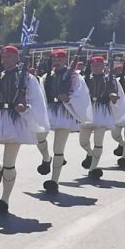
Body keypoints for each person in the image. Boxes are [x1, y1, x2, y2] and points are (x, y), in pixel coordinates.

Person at [0, 46, 49, 213]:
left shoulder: (27, 78)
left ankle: (4, 200)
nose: (5, 61)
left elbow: (36, 100)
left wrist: (26, 109)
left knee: (10, 164)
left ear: (17, 58)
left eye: (9, 57)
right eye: (4, 58)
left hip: (15, 121)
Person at [35, 49, 92, 194]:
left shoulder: (74, 76)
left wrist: (68, 98)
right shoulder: (46, 76)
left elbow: (82, 94)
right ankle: (46, 158)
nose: (56, 61)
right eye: (54, 59)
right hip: (49, 111)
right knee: (39, 138)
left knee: (58, 149)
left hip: (65, 112)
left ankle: (54, 180)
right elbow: (40, 94)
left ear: (65, 60)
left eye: (59, 59)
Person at [77, 56, 125, 179]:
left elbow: (114, 90)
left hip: (102, 110)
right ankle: (90, 154)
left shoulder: (110, 79)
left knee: (98, 142)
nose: (96, 68)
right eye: (94, 66)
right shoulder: (85, 79)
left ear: (103, 66)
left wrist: (113, 96)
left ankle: (93, 168)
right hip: (88, 110)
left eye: (99, 65)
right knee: (83, 142)